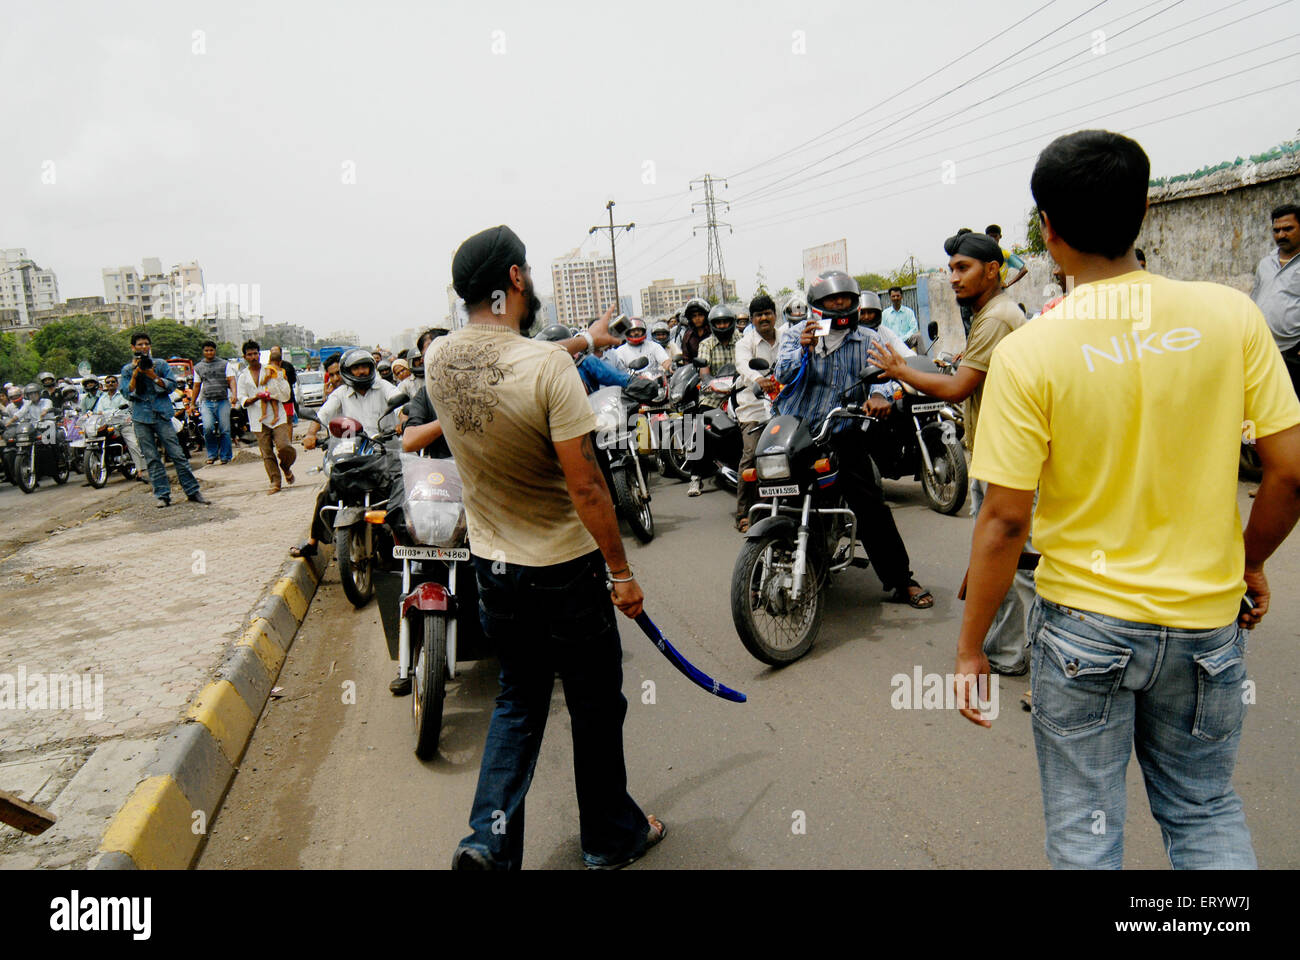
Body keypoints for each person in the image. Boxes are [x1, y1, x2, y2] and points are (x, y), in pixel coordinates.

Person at [955, 129, 1300, 870]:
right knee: (1204, 809)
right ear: (1144, 209)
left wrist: (969, 646)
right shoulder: (1232, 315)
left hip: (1085, 631)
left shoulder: (1029, 352)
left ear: (1046, 229)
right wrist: (1251, 560)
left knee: (1086, 834)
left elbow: (1006, 518)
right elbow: (1289, 473)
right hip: (1208, 625)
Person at [429, 224, 664, 871]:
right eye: (526, 270)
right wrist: (621, 573)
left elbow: (510, 361)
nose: (529, 280)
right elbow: (588, 486)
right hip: (564, 571)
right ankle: (609, 839)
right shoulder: (548, 369)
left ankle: (487, 843)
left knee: (519, 700)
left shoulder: (440, 359)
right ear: (514, 279)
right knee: (593, 703)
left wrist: (587, 340)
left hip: (495, 572)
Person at [870, 231, 1028, 668]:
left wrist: (902, 370)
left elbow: (957, 389)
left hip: (1004, 458)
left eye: (963, 268)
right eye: (951, 268)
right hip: (992, 452)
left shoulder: (997, 317)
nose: (954, 278)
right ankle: (1006, 648)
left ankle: (1017, 653)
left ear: (993, 270)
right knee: (1001, 563)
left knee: (1012, 565)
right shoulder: (991, 313)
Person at [775, 270, 933, 608]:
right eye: (832, 300)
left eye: (845, 299)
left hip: (842, 432)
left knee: (870, 505)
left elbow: (884, 374)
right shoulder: (794, 336)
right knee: (773, 489)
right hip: (796, 432)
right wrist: (804, 349)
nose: (839, 304)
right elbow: (783, 375)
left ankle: (900, 580)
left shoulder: (867, 339)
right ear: (817, 305)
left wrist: (880, 396)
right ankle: (767, 567)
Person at [120, 331, 209, 507]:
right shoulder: (127, 369)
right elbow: (127, 393)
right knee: (152, 458)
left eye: (146, 344)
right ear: (133, 348)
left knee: (177, 454)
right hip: (141, 417)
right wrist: (136, 372)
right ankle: (162, 495)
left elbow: (171, 386)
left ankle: (192, 491)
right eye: (139, 345)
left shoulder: (160, 364)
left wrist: (153, 375)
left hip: (161, 414)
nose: (144, 347)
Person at [733, 293, 785, 530]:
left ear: (775, 315)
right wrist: (758, 379)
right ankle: (743, 512)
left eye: (767, 313)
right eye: (758, 315)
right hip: (754, 408)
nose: (764, 318)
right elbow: (744, 365)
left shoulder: (787, 337)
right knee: (752, 455)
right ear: (752, 319)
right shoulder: (745, 343)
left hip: (785, 404)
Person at [686, 303, 740, 496]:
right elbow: (704, 372)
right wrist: (713, 383)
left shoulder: (741, 340)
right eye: (719, 322)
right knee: (701, 426)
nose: (723, 325)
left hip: (739, 391)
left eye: (726, 321)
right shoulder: (706, 344)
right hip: (713, 395)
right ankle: (695, 477)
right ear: (713, 324)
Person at [1250, 202, 1300, 397]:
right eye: (1276, 230)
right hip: (1266, 352)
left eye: (1288, 229)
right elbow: (1256, 299)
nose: (1281, 235)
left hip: (1294, 354)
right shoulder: (1265, 263)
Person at [237, 340, 296, 494]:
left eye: (255, 353)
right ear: (245, 357)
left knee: (285, 446)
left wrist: (271, 394)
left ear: (259, 354)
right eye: (249, 354)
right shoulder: (243, 376)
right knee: (267, 453)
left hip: (277, 415)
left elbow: (285, 393)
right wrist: (254, 398)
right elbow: (242, 398)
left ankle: (286, 466)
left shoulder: (272, 370)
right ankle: (275, 482)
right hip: (258, 418)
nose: (253, 357)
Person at [91, 374, 146, 476]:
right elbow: (98, 411)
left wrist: (108, 413)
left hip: (123, 424)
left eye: (112, 382)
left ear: (117, 384)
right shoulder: (102, 398)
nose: (110, 384)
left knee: (133, 444)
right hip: (108, 425)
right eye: (108, 382)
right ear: (105, 385)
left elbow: (125, 410)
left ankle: (139, 471)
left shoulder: (123, 395)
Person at [192, 339, 236, 465]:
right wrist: (192, 403)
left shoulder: (224, 364)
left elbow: (231, 380)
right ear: (203, 352)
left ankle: (225, 456)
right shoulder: (198, 367)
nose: (209, 352)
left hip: (222, 401)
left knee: (225, 429)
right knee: (207, 427)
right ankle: (212, 454)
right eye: (206, 350)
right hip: (206, 401)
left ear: (215, 351)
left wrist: (234, 394)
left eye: (211, 350)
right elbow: (196, 386)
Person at [986, 224, 1029, 289]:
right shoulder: (982, 252)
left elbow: (1024, 270)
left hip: (998, 291)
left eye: (995, 236)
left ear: (1000, 236)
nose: (993, 239)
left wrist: (1008, 284)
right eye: (990, 237)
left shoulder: (1006, 254)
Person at [275, 347, 299, 425]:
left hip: (287, 399)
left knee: (288, 422)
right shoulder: (268, 368)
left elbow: (293, 380)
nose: (274, 353)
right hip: (275, 400)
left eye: (276, 352)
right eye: (272, 352)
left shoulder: (288, 366)